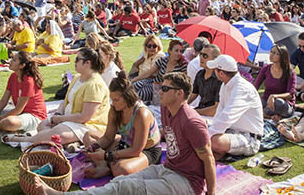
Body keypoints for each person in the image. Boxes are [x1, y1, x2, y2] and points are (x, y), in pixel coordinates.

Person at [34, 71, 216, 195]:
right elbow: (107, 137)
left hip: (187, 181)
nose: (160, 91)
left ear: (179, 94)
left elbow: (208, 159)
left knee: (126, 184)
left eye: (165, 89)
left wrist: (211, 193)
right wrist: (99, 148)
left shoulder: (192, 122)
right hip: (167, 169)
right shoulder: (165, 109)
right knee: (119, 183)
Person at [18, 48, 109, 148]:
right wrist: (58, 114)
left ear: (87, 63)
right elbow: (66, 101)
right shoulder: (77, 78)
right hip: (69, 120)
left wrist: (61, 119)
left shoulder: (95, 85)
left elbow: (85, 117)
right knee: (42, 125)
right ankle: (69, 143)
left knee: (58, 134)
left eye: (77, 59)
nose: (75, 62)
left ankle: (24, 139)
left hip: (88, 125)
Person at [81, 72, 162, 178]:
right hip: (125, 143)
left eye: (116, 100)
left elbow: (136, 150)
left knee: (121, 169)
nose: (113, 103)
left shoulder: (141, 114)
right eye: (112, 99)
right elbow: (108, 137)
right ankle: (103, 166)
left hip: (146, 151)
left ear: (127, 97)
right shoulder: (115, 109)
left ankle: (104, 164)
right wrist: (94, 147)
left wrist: (107, 156)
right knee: (88, 136)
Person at [0, 51, 47, 135]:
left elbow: (18, 109)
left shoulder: (28, 81)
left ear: (22, 65)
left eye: (14, 60)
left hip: (34, 115)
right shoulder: (13, 76)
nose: (10, 61)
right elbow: (4, 101)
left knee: (9, 122)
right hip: (19, 113)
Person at [205, 54, 263, 160]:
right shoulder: (225, 85)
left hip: (249, 137)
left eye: (215, 70)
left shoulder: (242, 89)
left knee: (214, 141)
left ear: (221, 73)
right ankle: (216, 153)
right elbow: (220, 113)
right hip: (230, 130)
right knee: (200, 128)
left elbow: (228, 116)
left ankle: (216, 151)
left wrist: (207, 136)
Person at [133, 39, 187, 104]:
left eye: (181, 51)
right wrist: (133, 80)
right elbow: (148, 73)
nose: (179, 53)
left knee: (140, 93)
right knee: (135, 85)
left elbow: (183, 83)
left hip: (166, 89)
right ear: (170, 51)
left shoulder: (182, 65)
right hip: (154, 83)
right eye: (176, 51)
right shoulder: (163, 60)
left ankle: (132, 101)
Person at [253, 45, 296, 120]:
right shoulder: (266, 69)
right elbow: (255, 86)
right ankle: (269, 116)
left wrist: (274, 96)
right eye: (271, 52)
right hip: (266, 101)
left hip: (283, 104)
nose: (271, 55)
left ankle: (263, 114)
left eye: (276, 53)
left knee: (278, 103)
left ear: (282, 56)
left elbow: (290, 95)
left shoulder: (290, 71)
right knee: (255, 102)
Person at [187, 44, 223, 116]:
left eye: (205, 56)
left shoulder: (219, 79)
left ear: (215, 60)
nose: (201, 58)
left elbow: (215, 110)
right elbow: (193, 95)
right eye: (200, 54)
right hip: (200, 111)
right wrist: (181, 105)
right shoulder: (200, 74)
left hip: (213, 118)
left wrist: (193, 112)